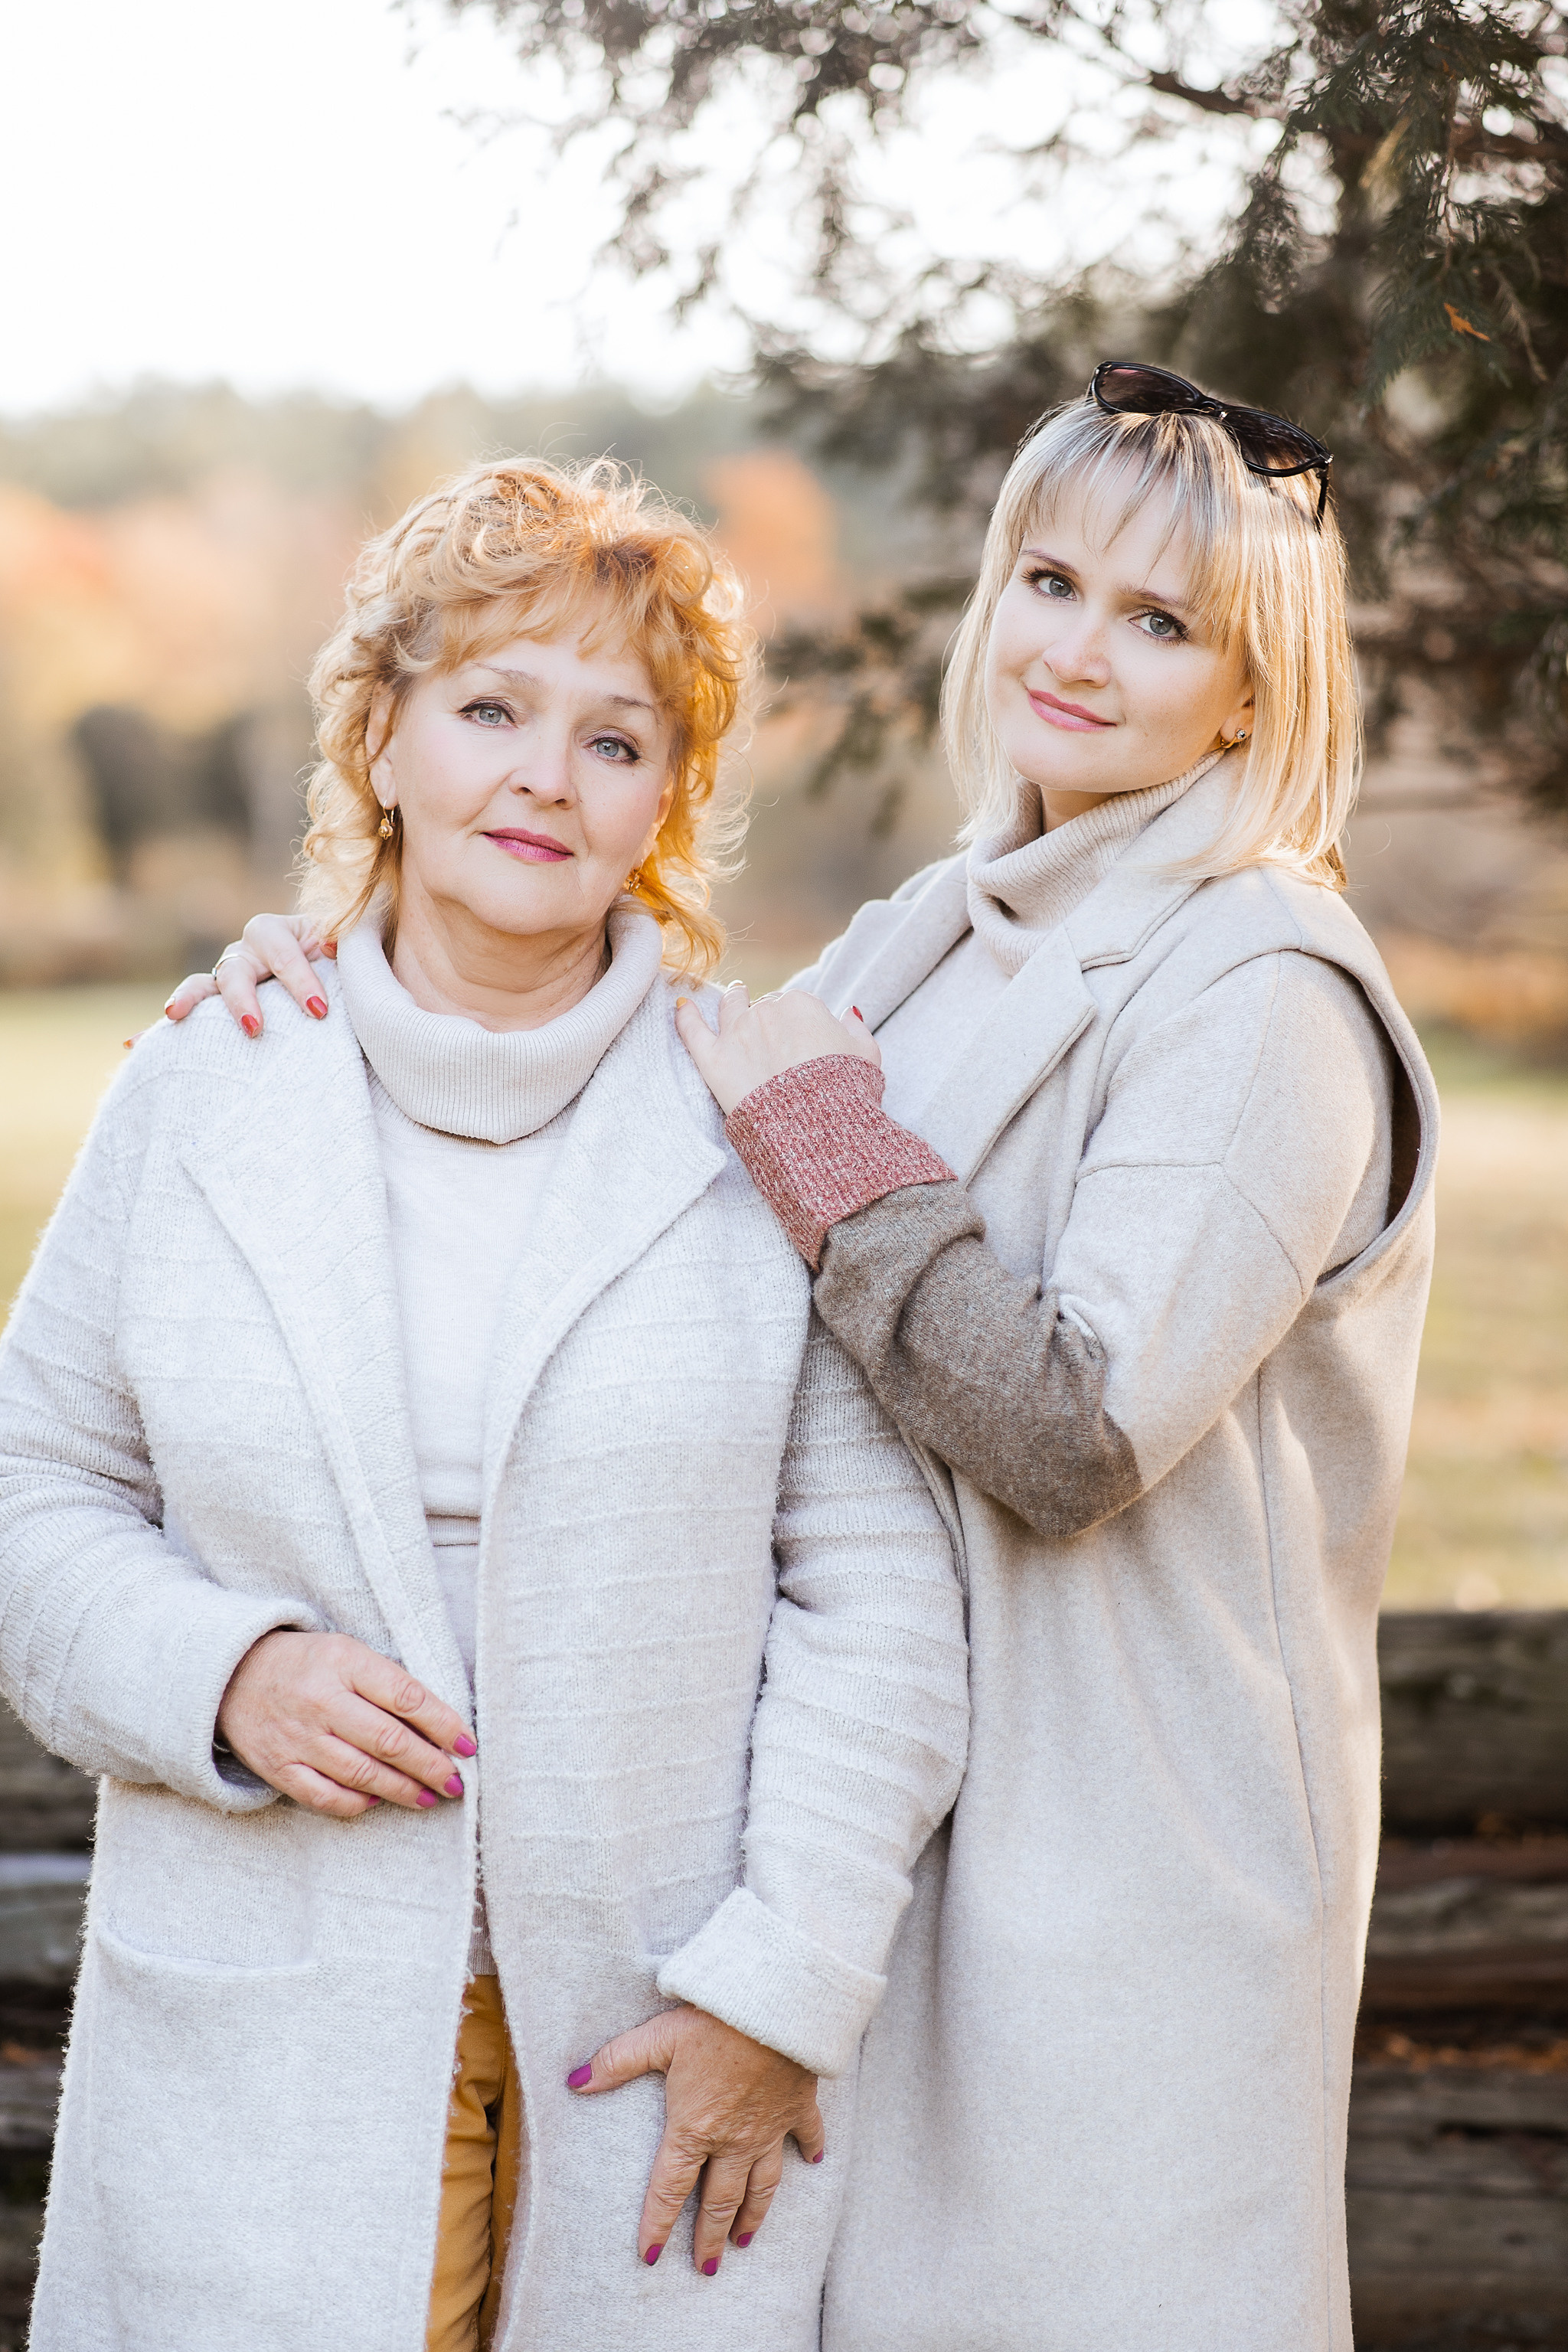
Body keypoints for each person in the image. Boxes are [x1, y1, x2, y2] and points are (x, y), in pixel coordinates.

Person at [191, 367, 1440, 2351]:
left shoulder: (1257, 985)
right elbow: (630, 1074)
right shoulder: (933, 934)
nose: (1079, 651)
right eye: (1049, 581)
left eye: (1162, 621)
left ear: (1257, 690)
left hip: (1121, 1874)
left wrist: (837, 1155)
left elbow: (1073, 1427)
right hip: (903, 1855)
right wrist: (304, 994)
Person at [0, 459, 969, 2352]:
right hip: (272, 2015)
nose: (545, 774)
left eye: (617, 738)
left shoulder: (749, 1120)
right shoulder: (204, 1091)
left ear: (669, 801)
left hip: (650, 2033)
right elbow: (34, 1486)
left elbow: (882, 1596)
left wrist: (781, 1984)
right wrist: (222, 1673)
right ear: (380, 739)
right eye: (492, 708)